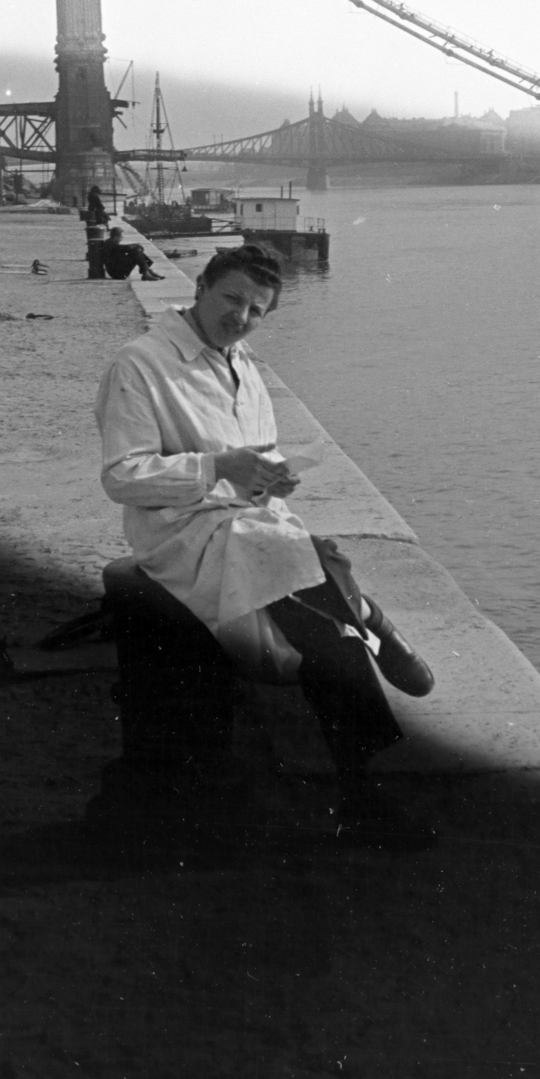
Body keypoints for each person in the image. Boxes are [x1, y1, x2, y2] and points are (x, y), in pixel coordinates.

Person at [93, 242, 434, 836]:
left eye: (256, 311)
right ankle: (372, 623)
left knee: (325, 625)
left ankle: (364, 786)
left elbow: (255, 455)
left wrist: (271, 475)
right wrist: (219, 468)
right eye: (232, 300)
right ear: (200, 288)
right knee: (312, 579)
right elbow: (122, 477)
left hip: (246, 527)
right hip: (180, 534)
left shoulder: (243, 365)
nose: (241, 318)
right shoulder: (141, 363)